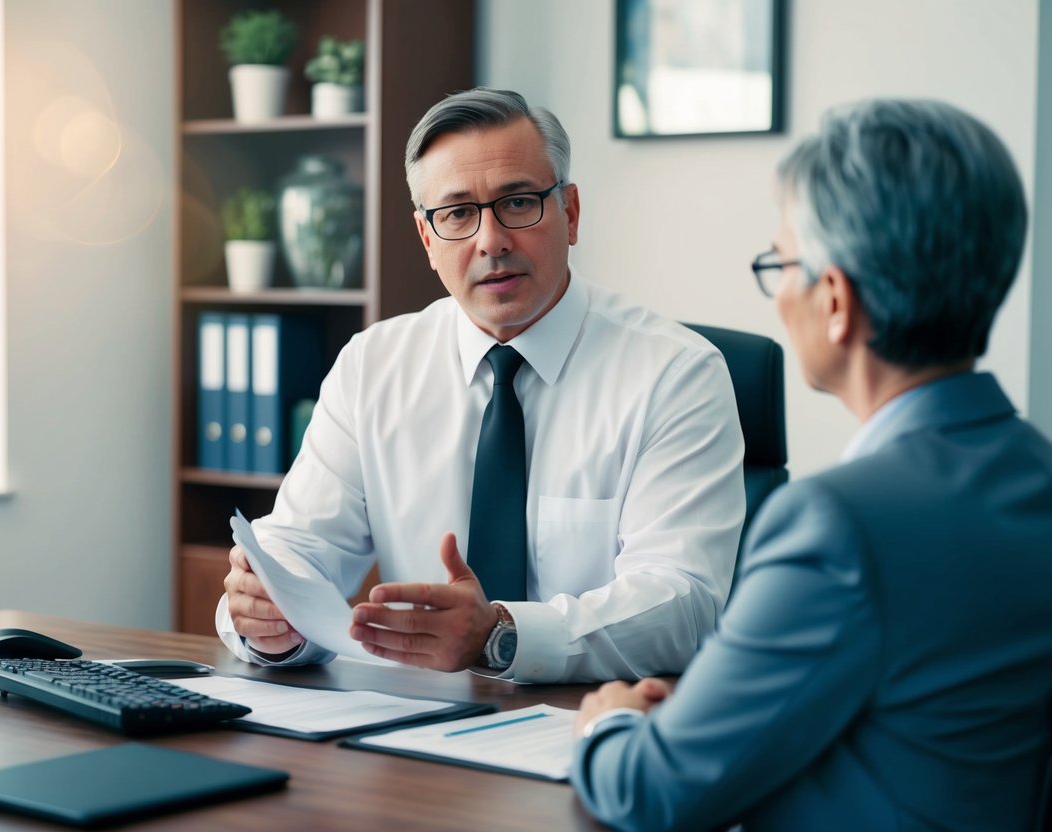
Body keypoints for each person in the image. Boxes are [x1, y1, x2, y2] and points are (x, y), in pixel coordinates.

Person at [571, 98, 1052, 829]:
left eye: (781, 262)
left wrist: (608, 723)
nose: (777, 293)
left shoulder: (837, 526)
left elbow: (652, 791)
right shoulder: (1034, 472)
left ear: (834, 299)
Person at [216, 87, 745, 684]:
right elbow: (298, 552)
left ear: (570, 214)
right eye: (458, 213)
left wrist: (500, 635)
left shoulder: (676, 374)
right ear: (427, 240)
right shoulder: (373, 365)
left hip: (597, 727)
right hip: (416, 733)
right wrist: (268, 620)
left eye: (518, 203)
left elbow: (685, 603)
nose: (490, 240)